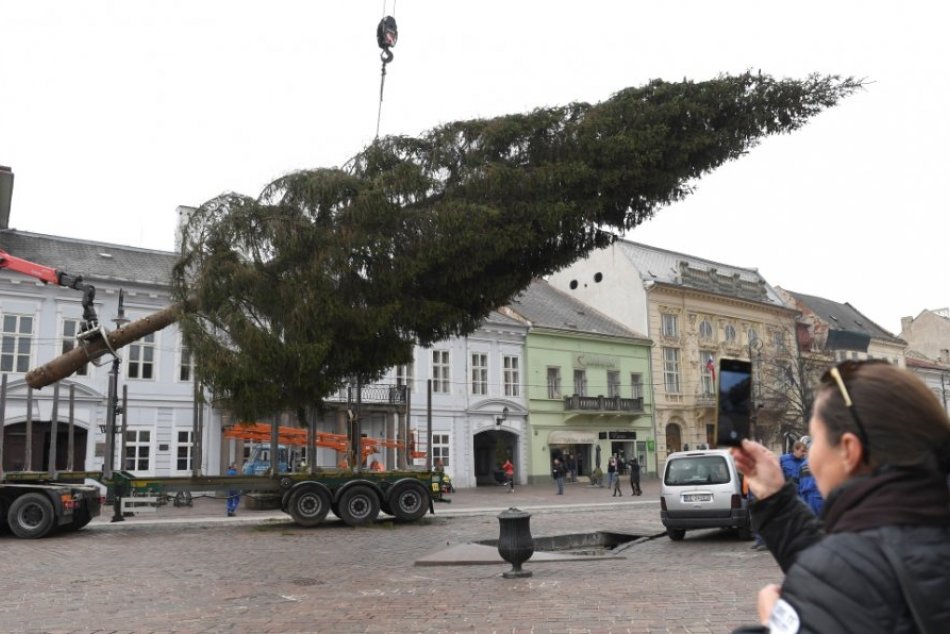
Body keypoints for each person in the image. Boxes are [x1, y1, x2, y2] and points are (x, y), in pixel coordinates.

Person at [731, 361, 950, 633]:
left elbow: (847, 577)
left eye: (815, 438)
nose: (810, 452)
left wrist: (778, 624)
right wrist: (776, 499)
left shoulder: (847, 568)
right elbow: (855, 577)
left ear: (848, 449)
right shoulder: (924, 526)